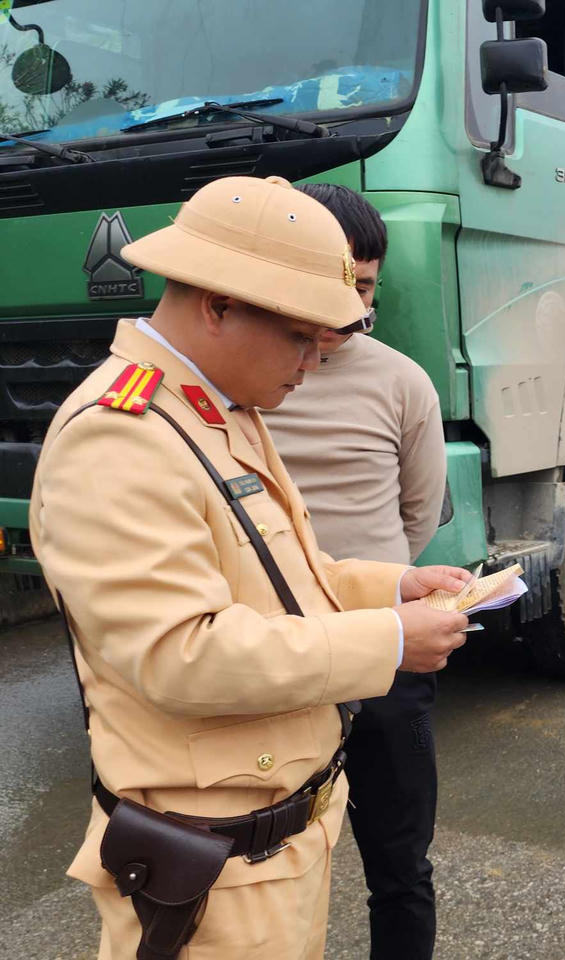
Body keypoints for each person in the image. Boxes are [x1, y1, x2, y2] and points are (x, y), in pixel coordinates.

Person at [29, 174, 474, 960]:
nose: (314, 361)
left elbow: (281, 577)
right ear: (218, 306)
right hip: (207, 871)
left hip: (263, 852)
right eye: (301, 337)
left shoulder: (217, 405)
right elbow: (183, 654)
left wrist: (392, 585)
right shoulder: (122, 433)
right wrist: (391, 640)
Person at [262, 183, 447, 959]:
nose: (350, 307)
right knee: (262, 867)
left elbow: (419, 514)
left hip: (384, 653)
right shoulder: (238, 383)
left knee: (400, 866)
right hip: (273, 654)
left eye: (365, 287)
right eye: (334, 283)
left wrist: (377, 581)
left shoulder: (403, 382)